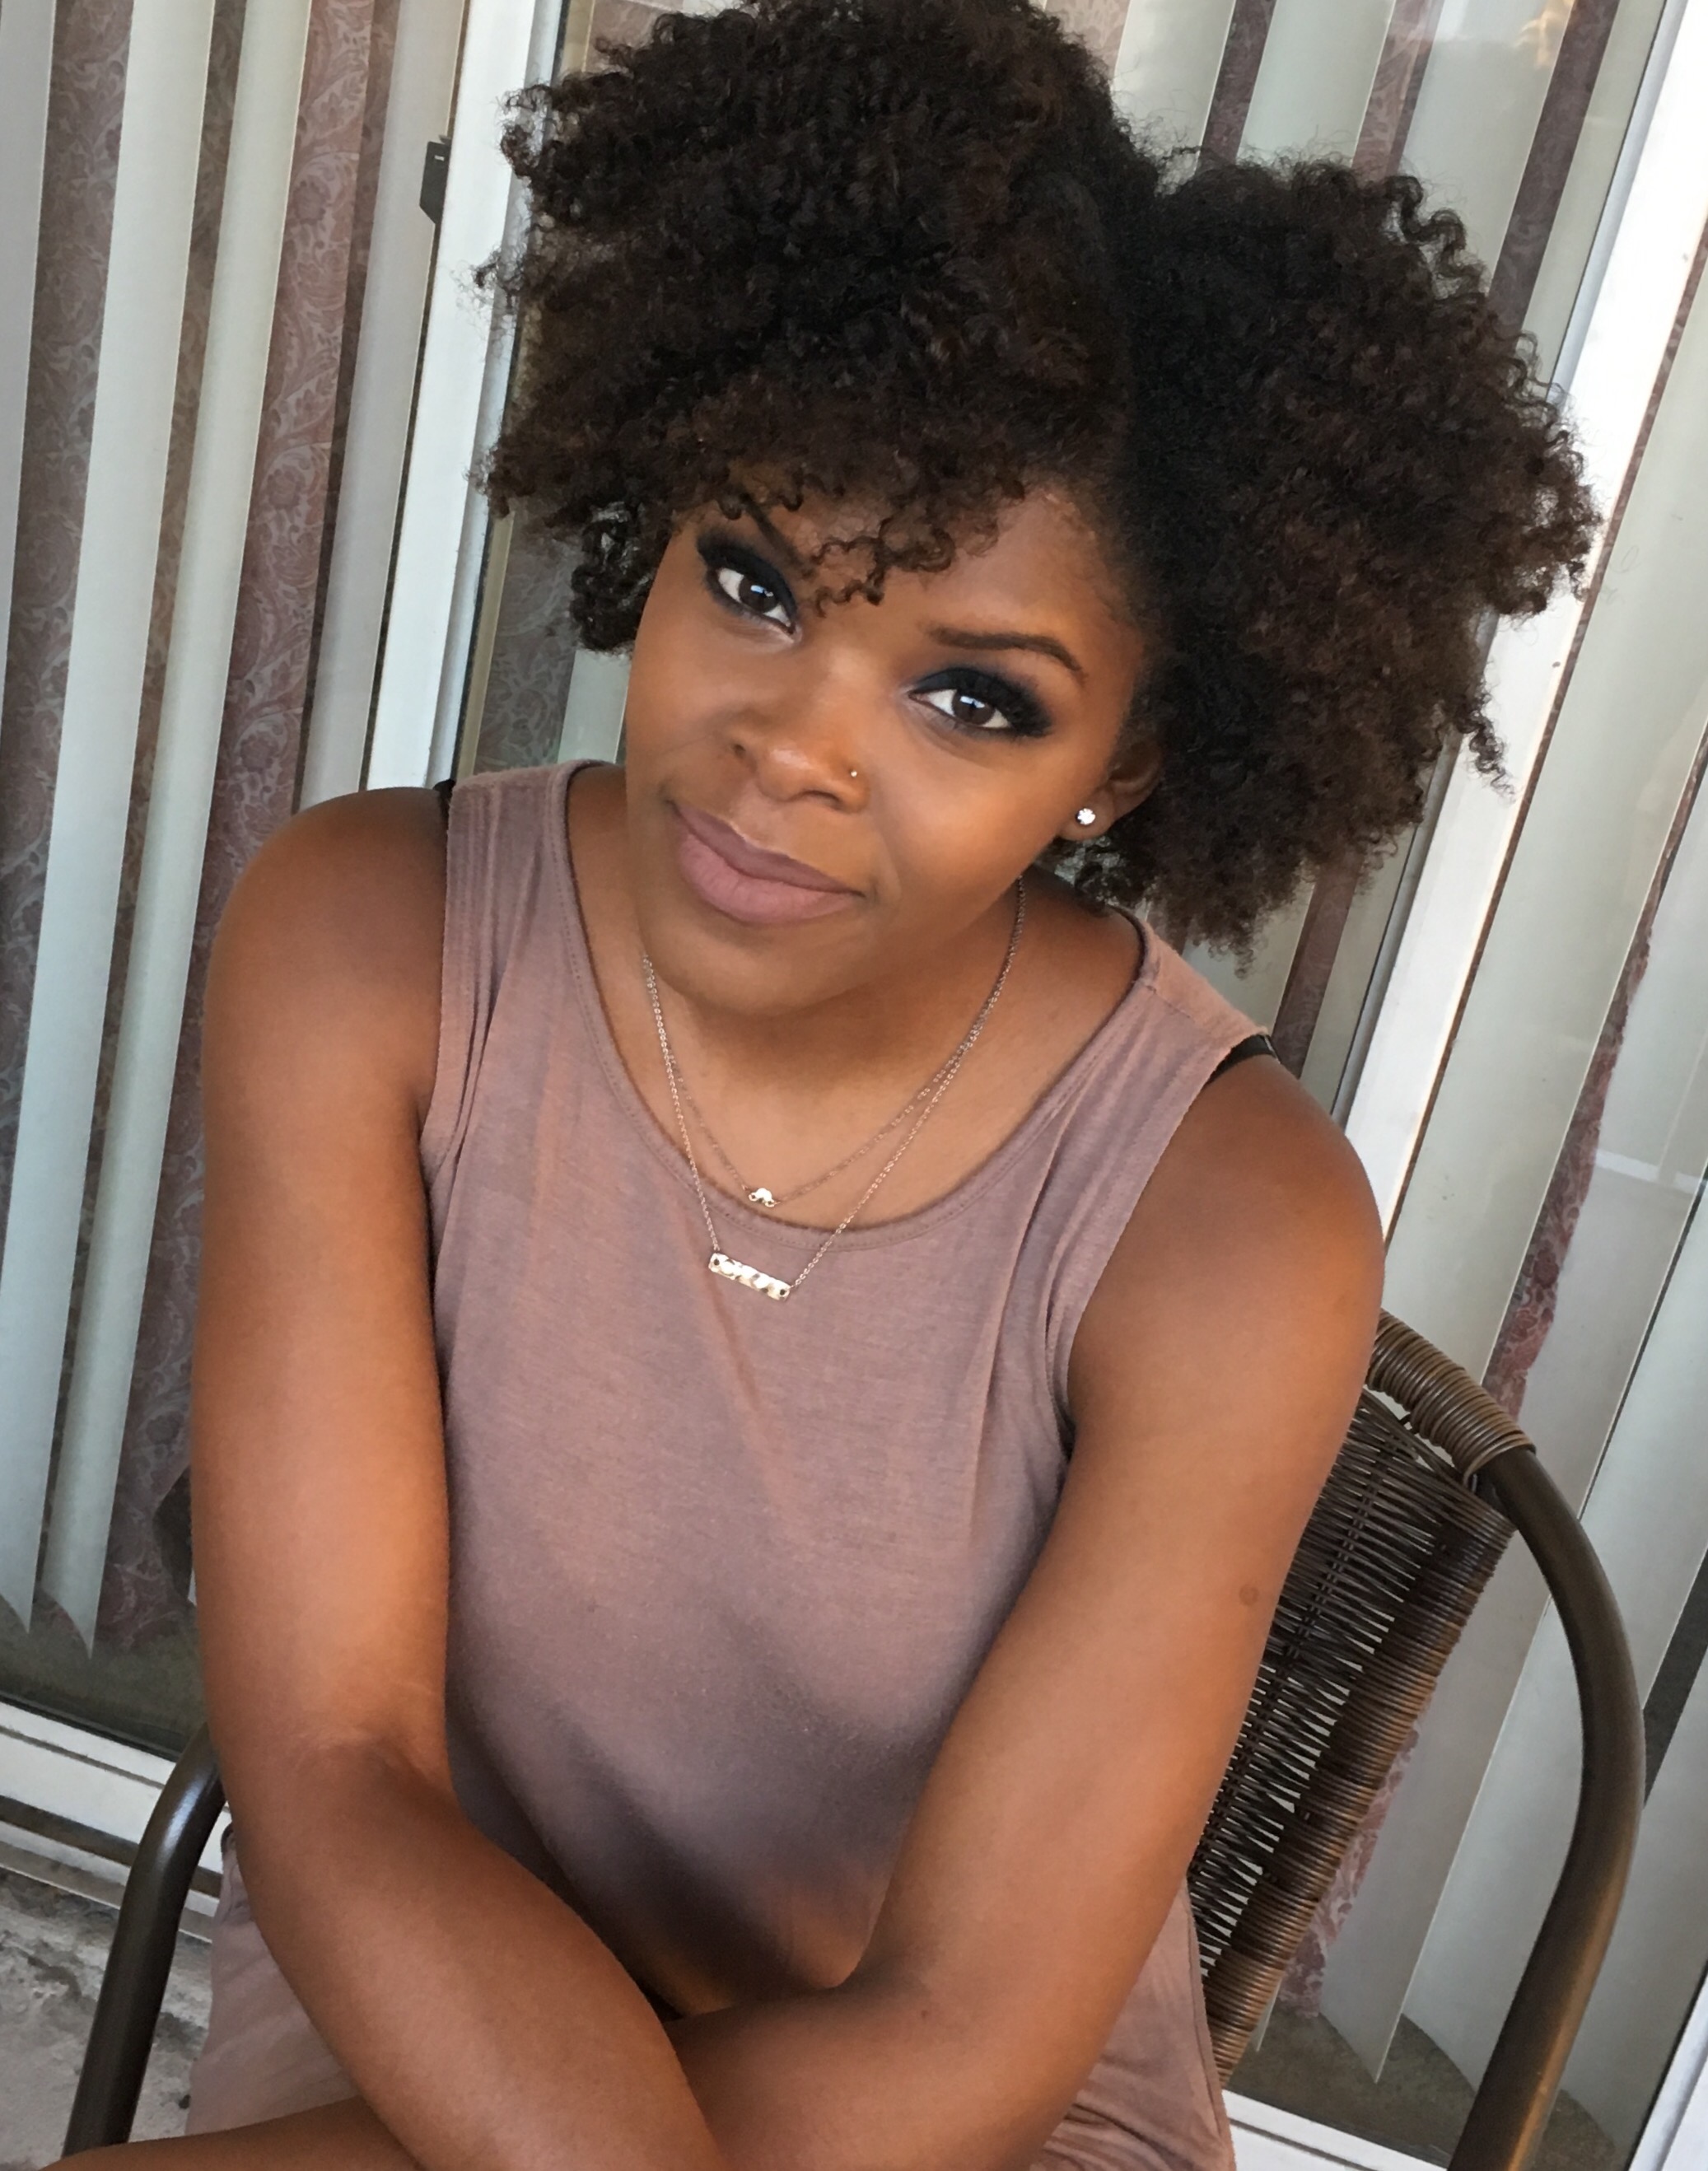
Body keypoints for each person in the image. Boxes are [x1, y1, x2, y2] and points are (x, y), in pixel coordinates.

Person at [95, 2, 1593, 2166]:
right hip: (429, 2006)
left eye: (974, 699)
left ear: (1128, 767)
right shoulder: (369, 947)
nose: (794, 747)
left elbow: (963, 2028)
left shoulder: (1224, 1222)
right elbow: (340, 1766)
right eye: (755, 580)